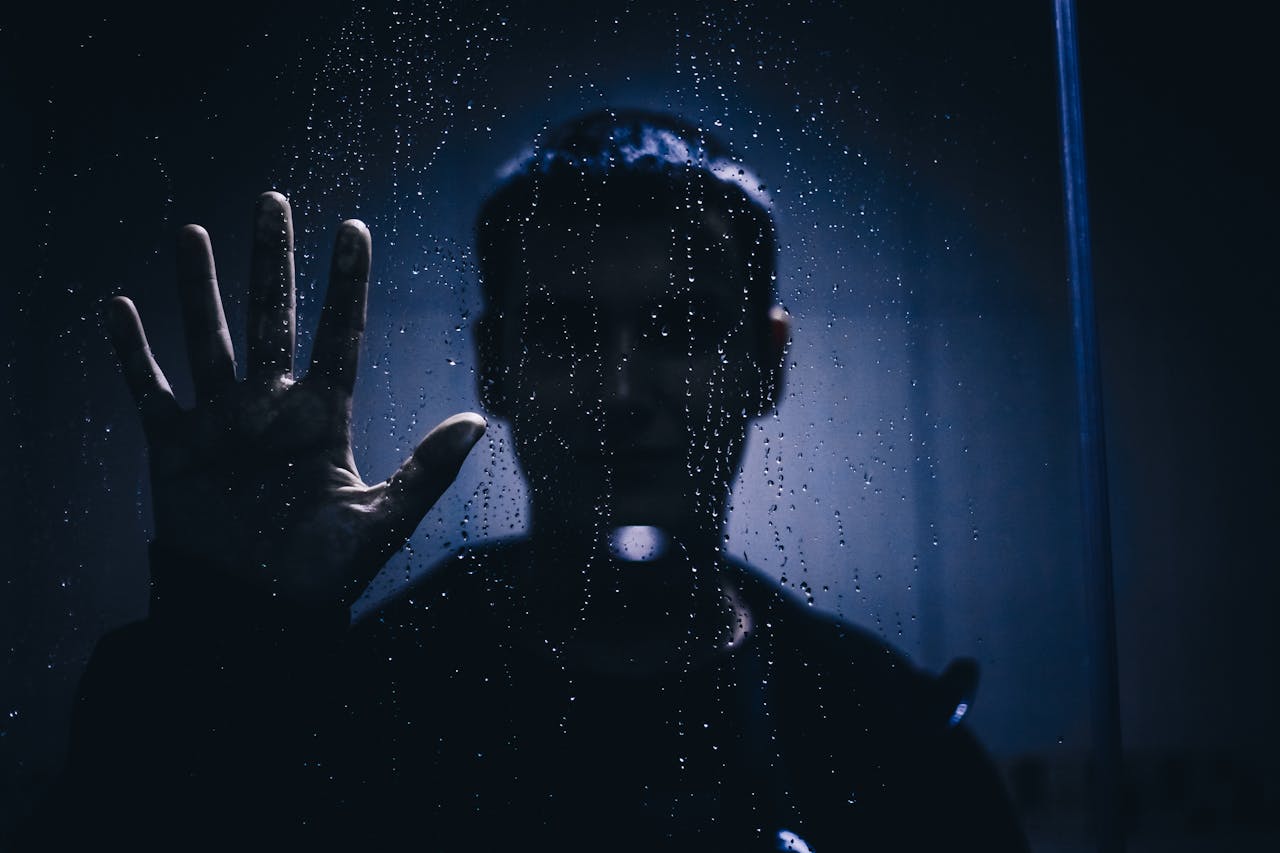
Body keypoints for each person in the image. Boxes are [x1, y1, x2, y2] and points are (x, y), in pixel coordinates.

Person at [17, 111, 1028, 851]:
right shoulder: (361, 703)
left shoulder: (874, 731)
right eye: (565, 332)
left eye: (678, 329)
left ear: (764, 363)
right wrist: (220, 628)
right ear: (494, 363)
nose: (622, 391)